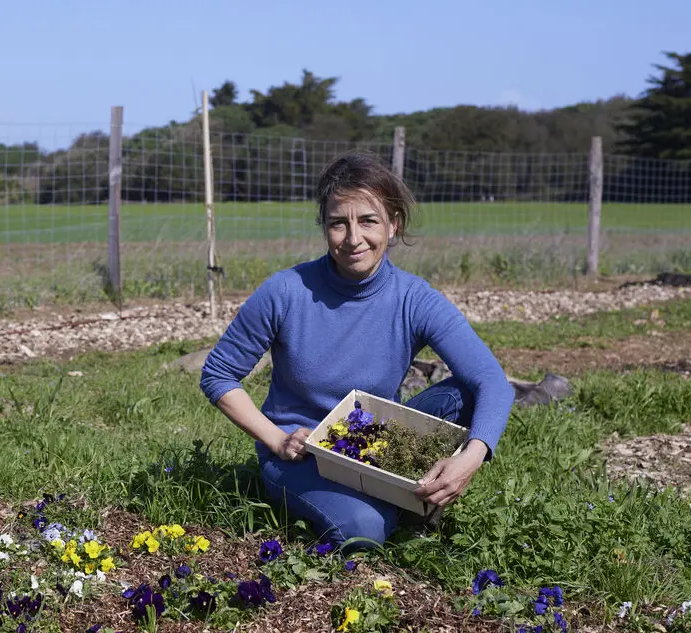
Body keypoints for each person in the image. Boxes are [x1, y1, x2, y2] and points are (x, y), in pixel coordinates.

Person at [199, 150, 515, 550]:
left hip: (373, 439)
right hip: (301, 454)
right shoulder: (285, 291)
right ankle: (398, 506)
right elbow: (218, 374)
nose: (353, 239)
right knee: (365, 529)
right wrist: (276, 440)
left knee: (467, 392)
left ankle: (406, 493)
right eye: (338, 224)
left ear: (393, 225)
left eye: (368, 221)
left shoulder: (414, 298)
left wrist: (470, 459)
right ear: (324, 227)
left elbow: (493, 381)